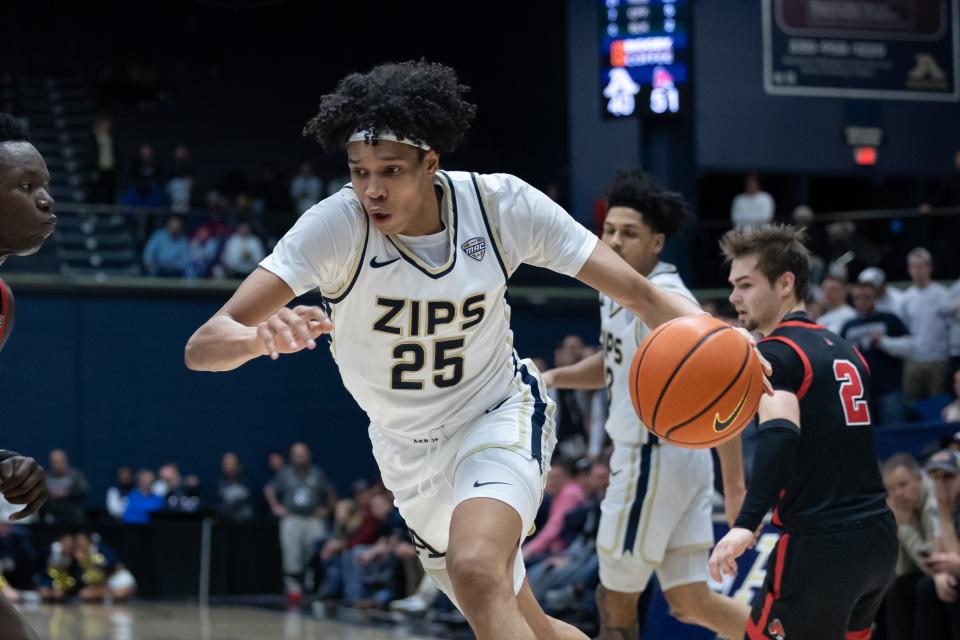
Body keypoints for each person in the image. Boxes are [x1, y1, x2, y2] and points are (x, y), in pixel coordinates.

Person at [184, 61, 750, 640]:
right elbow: (203, 346)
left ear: (431, 164)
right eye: (358, 172)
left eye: (391, 170)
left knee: (477, 569)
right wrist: (258, 338)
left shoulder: (502, 207)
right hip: (405, 454)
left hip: (497, 414)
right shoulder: (335, 227)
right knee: (534, 624)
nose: (371, 188)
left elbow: (644, 296)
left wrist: (744, 354)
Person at [543, 169, 750, 639]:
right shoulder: (618, 288)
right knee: (690, 601)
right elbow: (615, 360)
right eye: (608, 231)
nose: (613, 242)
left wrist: (735, 486)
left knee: (613, 600)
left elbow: (724, 382)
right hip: (677, 462)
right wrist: (558, 376)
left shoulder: (668, 302)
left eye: (629, 234)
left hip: (652, 459)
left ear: (657, 243)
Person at [710, 224, 897, 639]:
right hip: (878, 540)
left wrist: (745, 522)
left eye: (745, 285)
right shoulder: (845, 349)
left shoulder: (774, 353)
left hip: (821, 547)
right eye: (733, 286)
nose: (734, 298)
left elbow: (780, 432)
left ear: (785, 283)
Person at [0, 113, 59, 638]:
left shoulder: (3, 305)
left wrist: (5, 464)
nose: (46, 201)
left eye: (44, 186)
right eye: (25, 187)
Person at [263, 442, 336, 602]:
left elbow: (330, 492)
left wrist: (326, 510)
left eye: (302, 454)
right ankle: (293, 589)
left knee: (315, 552)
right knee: (292, 553)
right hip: (292, 517)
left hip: (313, 518)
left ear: (308, 455)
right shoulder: (285, 473)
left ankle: (313, 586)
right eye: (296, 454)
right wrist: (276, 507)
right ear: (292, 456)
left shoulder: (317, 473)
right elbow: (269, 489)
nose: (300, 457)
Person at [881, 453, 939, 639]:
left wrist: (905, 530)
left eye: (903, 485)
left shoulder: (933, 504)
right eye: (891, 490)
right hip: (928, 573)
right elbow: (903, 570)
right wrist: (898, 527)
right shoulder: (905, 509)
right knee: (894, 587)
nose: (897, 494)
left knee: (924, 587)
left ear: (919, 479)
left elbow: (933, 566)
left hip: (944, 571)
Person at [841, 282, 913, 425]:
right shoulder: (848, 326)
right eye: (857, 298)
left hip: (890, 388)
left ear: (875, 298)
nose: (862, 301)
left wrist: (885, 342)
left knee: (894, 433)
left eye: (866, 297)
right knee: (867, 435)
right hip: (861, 391)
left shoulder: (889, 319)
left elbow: (910, 346)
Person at [913, 449, 960, 639]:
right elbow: (939, 554)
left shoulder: (943, 507)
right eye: (936, 478)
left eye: (948, 477)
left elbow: (955, 559)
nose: (941, 484)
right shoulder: (939, 503)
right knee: (919, 586)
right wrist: (939, 575)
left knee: (955, 586)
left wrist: (945, 515)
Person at [901, 248, 953, 402]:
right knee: (912, 405)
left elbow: (951, 327)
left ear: (930, 268)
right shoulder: (906, 298)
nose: (917, 270)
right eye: (913, 266)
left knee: (938, 403)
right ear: (909, 269)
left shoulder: (943, 294)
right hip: (913, 360)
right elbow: (905, 329)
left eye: (921, 266)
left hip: (938, 360)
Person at [43, 449, 89, 524]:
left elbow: (84, 490)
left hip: (73, 514)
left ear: (65, 462)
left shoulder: (75, 475)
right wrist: (50, 494)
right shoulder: (46, 478)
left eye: (58, 462)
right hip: (52, 514)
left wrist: (67, 493)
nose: (56, 465)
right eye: (54, 462)